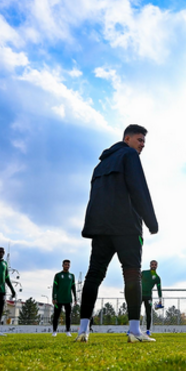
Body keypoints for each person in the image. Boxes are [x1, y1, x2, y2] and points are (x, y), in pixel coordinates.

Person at [76, 124, 159, 343]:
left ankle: (82, 329)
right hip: (126, 226)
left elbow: (94, 197)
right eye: (140, 140)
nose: (142, 145)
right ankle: (134, 330)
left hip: (100, 227)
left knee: (94, 274)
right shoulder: (129, 155)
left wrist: (92, 226)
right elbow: (138, 188)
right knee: (132, 273)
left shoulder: (100, 164)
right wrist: (152, 222)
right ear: (127, 138)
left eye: (144, 142)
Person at [52, 259, 77, 337]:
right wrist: (54, 297)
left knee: (68, 316)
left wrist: (75, 298)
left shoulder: (72, 276)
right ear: (62, 265)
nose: (67, 266)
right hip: (59, 299)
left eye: (68, 265)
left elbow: (73, 288)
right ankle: (54, 331)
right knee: (56, 315)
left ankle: (68, 331)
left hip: (68, 299)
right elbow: (54, 287)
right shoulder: (58, 275)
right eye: (65, 264)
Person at [141, 260, 163, 336]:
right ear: (150, 265)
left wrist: (160, 300)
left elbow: (159, 289)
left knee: (148, 313)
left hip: (148, 296)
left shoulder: (157, 278)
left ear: (157, 266)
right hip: (140, 295)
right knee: (136, 311)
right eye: (152, 264)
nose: (153, 266)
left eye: (155, 265)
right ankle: (132, 329)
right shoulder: (144, 273)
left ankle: (148, 330)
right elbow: (136, 281)